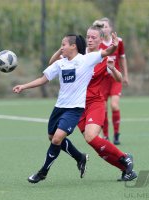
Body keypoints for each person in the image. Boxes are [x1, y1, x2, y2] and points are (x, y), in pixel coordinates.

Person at [13, 33, 119, 184]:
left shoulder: (86, 59)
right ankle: (80, 157)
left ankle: (42, 172)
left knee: (56, 139)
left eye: (63, 44)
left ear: (73, 46)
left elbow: (107, 52)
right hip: (59, 107)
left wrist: (114, 45)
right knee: (52, 137)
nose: (61, 47)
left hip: (74, 108)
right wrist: (23, 86)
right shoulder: (60, 63)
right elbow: (44, 79)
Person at [49, 26, 137, 181]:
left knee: (91, 137)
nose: (90, 40)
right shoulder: (77, 55)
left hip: (95, 103)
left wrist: (112, 68)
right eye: (88, 37)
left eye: (94, 37)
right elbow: (52, 64)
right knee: (94, 143)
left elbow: (119, 78)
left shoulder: (102, 57)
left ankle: (125, 157)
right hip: (77, 107)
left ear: (101, 40)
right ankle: (125, 169)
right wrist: (62, 47)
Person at [93, 18, 129, 145]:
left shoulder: (118, 42)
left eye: (106, 26)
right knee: (104, 109)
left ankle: (117, 134)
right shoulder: (98, 44)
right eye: (102, 27)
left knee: (114, 105)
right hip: (102, 80)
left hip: (115, 79)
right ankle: (106, 136)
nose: (104, 29)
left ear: (111, 28)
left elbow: (122, 59)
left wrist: (125, 75)